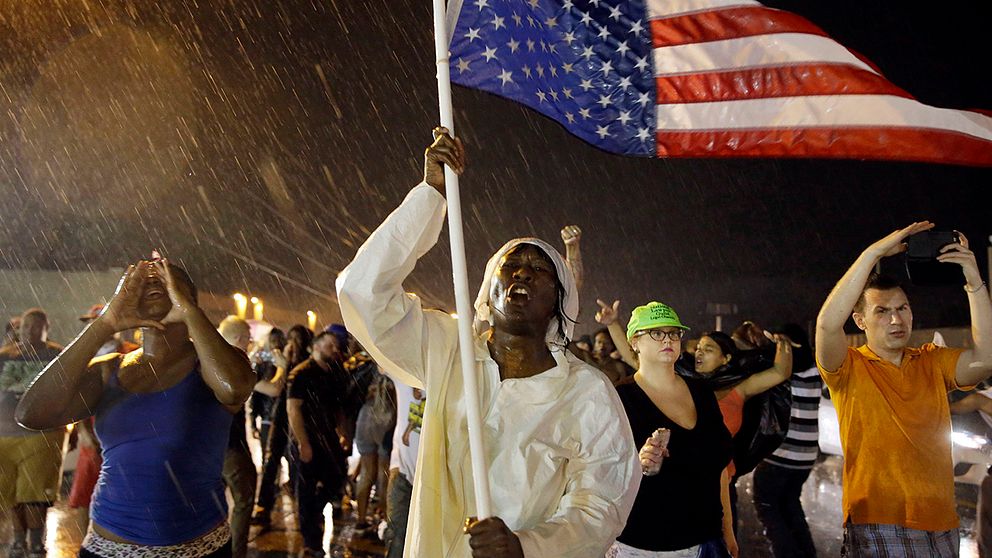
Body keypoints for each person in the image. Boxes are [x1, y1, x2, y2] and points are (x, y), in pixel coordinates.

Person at [336, 127, 639, 557]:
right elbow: (362, 293)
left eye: (540, 269)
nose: (521, 273)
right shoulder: (447, 351)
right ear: (486, 291)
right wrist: (429, 196)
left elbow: (601, 505)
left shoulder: (585, 393)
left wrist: (527, 546)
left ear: (559, 301)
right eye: (510, 265)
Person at [15, 259, 255, 557]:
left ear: (189, 296)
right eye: (142, 283)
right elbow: (32, 414)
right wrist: (105, 323)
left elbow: (235, 387)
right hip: (110, 547)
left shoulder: (214, 364)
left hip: (199, 548)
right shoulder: (110, 369)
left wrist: (191, 314)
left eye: (166, 278)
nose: (152, 282)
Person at [815, 221, 992, 556]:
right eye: (882, 312)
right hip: (879, 520)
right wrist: (873, 254)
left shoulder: (931, 360)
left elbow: (987, 358)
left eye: (902, 309)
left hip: (941, 520)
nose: (896, 320)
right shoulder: (848, 366)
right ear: (860, 321)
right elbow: (826, 323)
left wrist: (973, 278)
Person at [611, 301, 733, 558]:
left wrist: (728, 529)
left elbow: (719, 468)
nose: (668, 339)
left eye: (674, 333)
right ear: (634, 342)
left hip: (705, 542)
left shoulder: (702, 392)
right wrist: (636, 464)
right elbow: (598, 472)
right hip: (643, 544)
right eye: (656, 333)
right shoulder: (618, 398)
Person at [752, 323, 821, 558]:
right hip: (806, 457)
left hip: (780, 454)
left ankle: (787, 554)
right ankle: (806, 553)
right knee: (791, 505)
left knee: (768, 506)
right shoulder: (815, 371)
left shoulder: (780, 373)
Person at [0, 308, 64, 558]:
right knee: (10, 491)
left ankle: (36, 541)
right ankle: (18, 539)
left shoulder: (56, 355)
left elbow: (68, 393)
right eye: (26, 327)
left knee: (36, 493)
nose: (31, 332)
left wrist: (74, 427)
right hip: (4, 433)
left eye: (37, 327)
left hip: (43, 433)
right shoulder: (4, 356)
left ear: (47, 328)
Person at [286, 331, 350, 557]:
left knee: (337, 477)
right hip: (308, 438)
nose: (334, 349)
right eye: (329, 345)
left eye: (336, 345)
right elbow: (293, 409)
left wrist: (343, 433)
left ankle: (315, 512)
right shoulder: (301, 373)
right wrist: (303, 443)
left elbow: (339, 407)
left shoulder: (333, 373)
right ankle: (311, 541)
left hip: (328, 438)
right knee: (305, 490)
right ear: (316, 346)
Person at [252, 324, 311, 529]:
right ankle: (263, 507)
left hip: (298, 419)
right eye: (291, 339)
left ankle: (301, 508)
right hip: (279, 417)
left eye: (298, 340)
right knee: (271, 461)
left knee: (297, 463)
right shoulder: (280, 363)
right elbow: (272, 389)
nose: (292, 344)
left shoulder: (305, 367)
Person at [217, 315, 258, 558]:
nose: (249, 345)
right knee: (243, 500)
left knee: (212, 501)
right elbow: (268, 388)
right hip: (231, 446)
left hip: (210, 445)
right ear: (239, 338)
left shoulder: (206, 357)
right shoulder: (232, 362)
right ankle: (235, 552)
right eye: (248, 340)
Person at [384, 382, 423, 558]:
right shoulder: (402, 374)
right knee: (398, 535)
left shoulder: (445, 374)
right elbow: (381, 358)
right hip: (402, 471)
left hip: (434, 473)